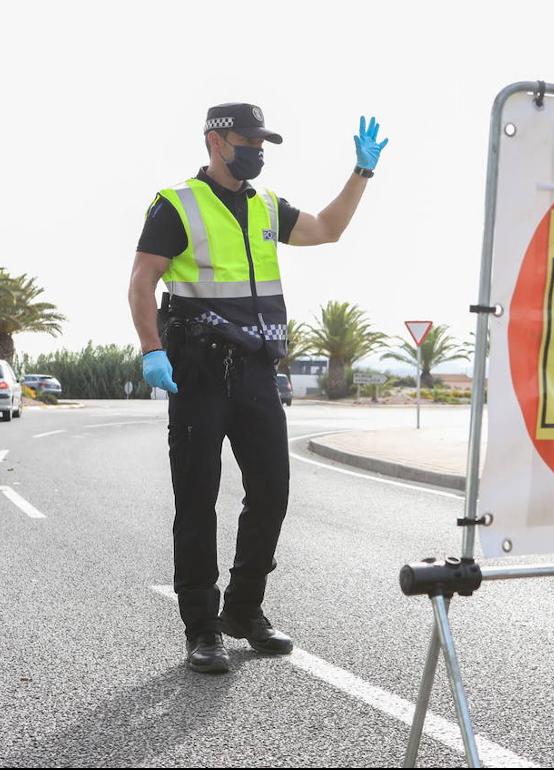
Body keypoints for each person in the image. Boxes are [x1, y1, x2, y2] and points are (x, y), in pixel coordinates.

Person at [127, 103, 388, 673]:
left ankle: (245, 611)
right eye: (249, 140)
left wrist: (360, 173)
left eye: (263, 142)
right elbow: (143, 278)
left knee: (271, 491)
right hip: (196, 371)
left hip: (256, 373)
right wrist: (152, 351)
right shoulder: (177, 204)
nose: (258, 151)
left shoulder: (267, 205)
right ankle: (201, 627)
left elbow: (327, 229)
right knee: (197, 500)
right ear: (217, 142)